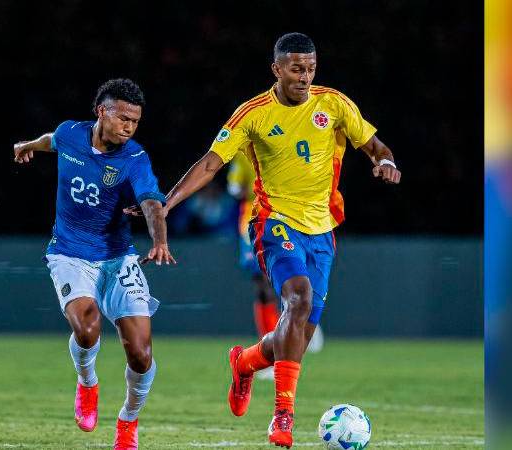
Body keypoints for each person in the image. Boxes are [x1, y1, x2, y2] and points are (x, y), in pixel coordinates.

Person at [155, 32, 401, 447]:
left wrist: (387, 161)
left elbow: (374, 145)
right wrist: (166, 203)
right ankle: (282, 417)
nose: (304, 76)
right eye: (295, 68)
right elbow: (211, 163)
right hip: (274, 222)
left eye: (310, 68)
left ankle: (245, 362)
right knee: (298, 299)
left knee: (297, 336)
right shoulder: (253, 114)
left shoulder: (334, 104)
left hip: (322, 229)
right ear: (277, 69)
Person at [11, 78, 174, 450]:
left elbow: (151, 202)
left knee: (141, 353)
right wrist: (26, 146)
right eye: (123, 118)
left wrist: (159, 240)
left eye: (136, 121)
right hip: (69, 253)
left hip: (118, 258)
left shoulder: (134, 158)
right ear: (102, 111)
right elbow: (51, 139)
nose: (129, 127)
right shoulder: (72, 133)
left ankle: (128, 422)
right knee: (87, 328)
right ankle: (87, 383)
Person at [226, 156, 322, 382]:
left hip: (282, 219)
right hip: (252, 219)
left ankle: (300, 322)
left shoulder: (281, 147)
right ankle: (272, 341)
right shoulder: (243, 152)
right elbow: (234, 186)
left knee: (278, 281)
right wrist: (243, 188)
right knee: (261, 285)